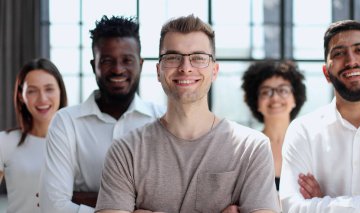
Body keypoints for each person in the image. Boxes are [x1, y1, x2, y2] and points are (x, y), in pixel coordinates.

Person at [95, 14, 280, 213]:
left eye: (198, 58)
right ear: (158, 71)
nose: (185, 68)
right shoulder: (126, 151)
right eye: (173, 57)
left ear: (214, 71)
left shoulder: (251, 147)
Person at [39, 16, 165, 213]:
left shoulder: (162, 120)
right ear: (93, 65)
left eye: (127, 60)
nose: (117, 69)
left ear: (140, 64)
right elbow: (52, 206)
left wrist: (82, 199)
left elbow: (171, 201)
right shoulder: (66, 122)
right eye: (107, 60)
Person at [279, 20, 360, 212]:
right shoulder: (303, 132)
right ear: (326, 73)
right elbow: (293, 208)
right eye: (339, 53)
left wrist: (322, 203)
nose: (351, 61)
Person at [0, 58, 67, 213]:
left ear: (60, 91)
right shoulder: (4, 142)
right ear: (21, 96)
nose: (42, 98)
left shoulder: (77, 143)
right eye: (32, 91)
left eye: (49, 89)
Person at [241, 60, 306, 191]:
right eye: (266, 92)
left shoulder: (309, 145)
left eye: (283, 90)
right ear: (256, 101)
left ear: (295, 98)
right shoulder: (247, 149)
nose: (275, 98)